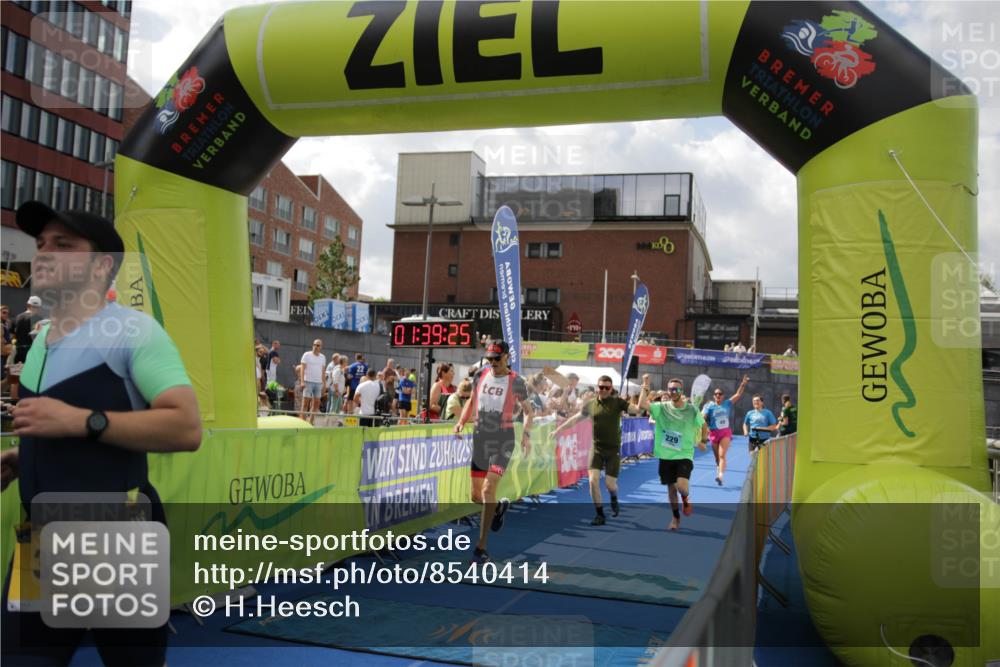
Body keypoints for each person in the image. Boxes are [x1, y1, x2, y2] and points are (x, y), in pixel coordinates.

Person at [1, 200, 201, 665]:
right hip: (43, 532)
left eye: (63, 244)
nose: (44, 254)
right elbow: (57, 425)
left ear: (101, 266)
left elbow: (186, 426)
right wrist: (25, 457)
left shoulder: (133, 331)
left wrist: (79, 421)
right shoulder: (41, 340)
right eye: (41, 244)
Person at [454, 340, 533, 563]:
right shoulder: (480, 374)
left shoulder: (516, 381)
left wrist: (526, 434)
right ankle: (499, 506)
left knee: (489, 489)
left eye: (497, 359)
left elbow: (529, 412)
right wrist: (461, 422)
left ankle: (481, 548)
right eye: (489, 359)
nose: (493, 362)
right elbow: (471, 400)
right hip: (481, 437)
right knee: (476, 496)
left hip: (503, 439)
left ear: (506, 357)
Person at [553, 373, 649, 525]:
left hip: (613, 451)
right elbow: (575, 419)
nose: (603, 390)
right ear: (597, 388)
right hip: (596, 449)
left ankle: (614, 497)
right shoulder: (590, 404)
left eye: (607, 388)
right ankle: (599, 514)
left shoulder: (618, 402)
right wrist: (559, 430)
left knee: (610, 485)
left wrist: (644, 388)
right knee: (593, 481)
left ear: (611, 389)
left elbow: (637, 410)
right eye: (601, 387)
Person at [639, 378, 707, 531]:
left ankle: (685, 498)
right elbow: (642, 405)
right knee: (671, 489)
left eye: (677, 389)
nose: (673, 392)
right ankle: (676, 517)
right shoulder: (661, 407)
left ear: (681, 391)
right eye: (671, 389)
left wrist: (704, 440)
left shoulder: (692, 410)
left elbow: (704, 425)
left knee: (682, 487)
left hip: (684, 454)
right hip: (666, 456)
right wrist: (645, 387)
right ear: (668, 391)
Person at [702, 375, 749, 486]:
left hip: (725, 433)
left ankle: (720, 476)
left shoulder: (727, 403)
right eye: (716, 394)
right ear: (714, 396)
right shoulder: (709, 406)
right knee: (717, 458)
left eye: (720, 394)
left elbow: (738, 394)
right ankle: (719, 469)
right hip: (713, 433)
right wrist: (702, 418)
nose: (718, 395)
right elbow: (703, 417)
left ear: (723, 396)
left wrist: (743, 384)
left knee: (722, 455)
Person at [299, 339, 326, 424]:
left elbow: (323, 371)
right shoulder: (306, 355)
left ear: (321, 347)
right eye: (314, 344)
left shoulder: (323, 357)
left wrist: (324, 384)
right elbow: (302, 369)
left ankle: (310, 422)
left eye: (317, 345)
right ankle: (302, 423)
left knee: (316, 403)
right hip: (308, 381)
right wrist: (302, 381)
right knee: (305, 403)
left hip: (318, 383)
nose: (315, 346)